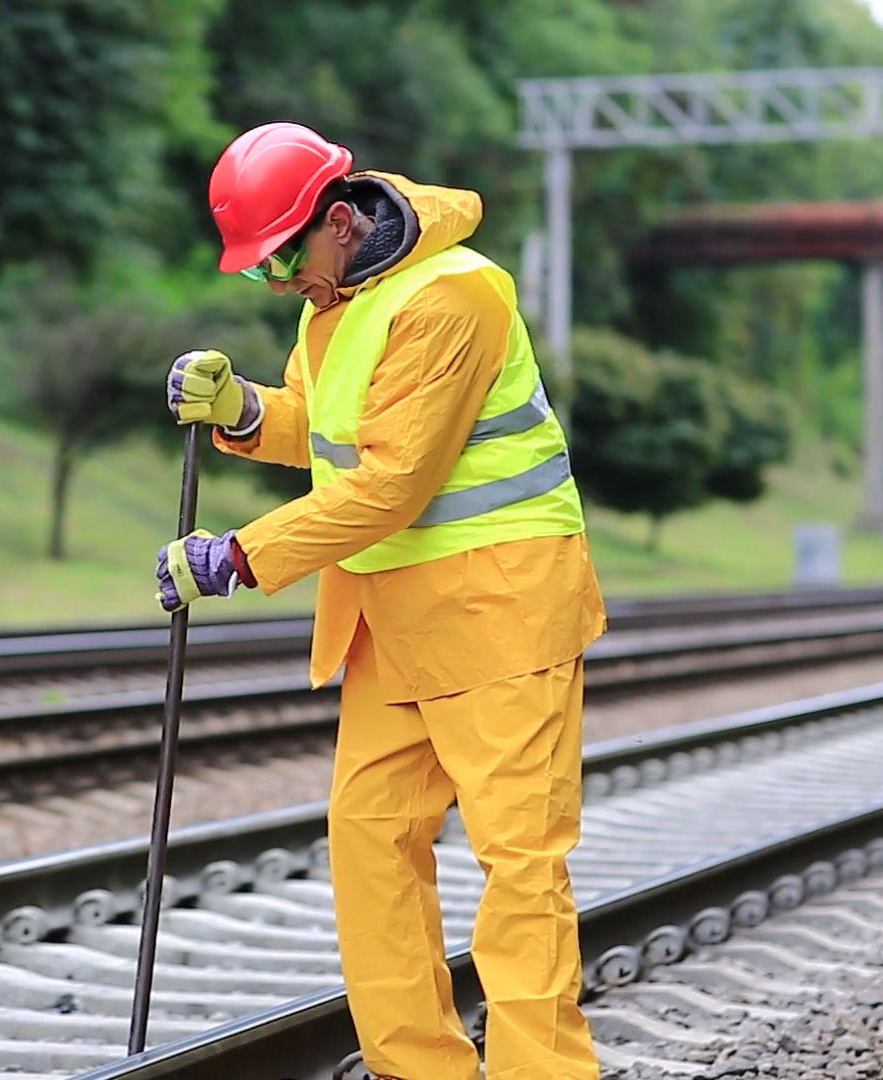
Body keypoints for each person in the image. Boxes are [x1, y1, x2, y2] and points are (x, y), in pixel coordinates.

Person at [154, 121, 608, 1080]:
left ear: (342, 219)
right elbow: (330, 435)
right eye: (258, 274)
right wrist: (243, 409)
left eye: (282, 259)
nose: (279, 284)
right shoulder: (336, 301)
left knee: (519, 866)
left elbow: (391, 485)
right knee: (370, 853)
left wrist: (239, 555)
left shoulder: (456, 296)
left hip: (500, 618)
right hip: (391, 625)